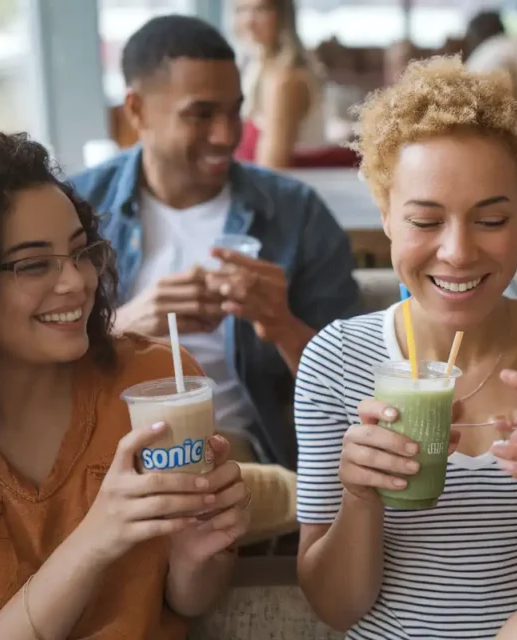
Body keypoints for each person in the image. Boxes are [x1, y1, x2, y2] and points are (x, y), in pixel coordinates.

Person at [293, 57, 517, 639]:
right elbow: (335, 608)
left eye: (492, 219)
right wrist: (359, 495)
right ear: (386, 219)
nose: (457, 251)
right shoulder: (335, 362)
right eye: (426, 221)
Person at [0, 133, 251, 639]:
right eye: (34, 263)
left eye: (81, 252)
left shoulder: (156, 382)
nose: (78, 282)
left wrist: (197, 556)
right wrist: (97, 538)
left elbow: (190, 600)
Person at [70, 15, 360, 472]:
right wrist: (120, 328)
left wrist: (280, 323)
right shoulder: (78, 209)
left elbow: (357, 386)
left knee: (194, 481)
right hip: (102, 454)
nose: (227, 136)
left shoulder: (296, 214)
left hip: (237, 455)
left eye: (234, 110)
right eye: (201, 113)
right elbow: (21, 368)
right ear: (137, 110)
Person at [232, 0, 334, 169]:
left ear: (283, 16)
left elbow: (270, 169)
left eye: (261, 9)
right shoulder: (256, 69)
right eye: (241, 10)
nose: (249, 21)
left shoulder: (284, 81)